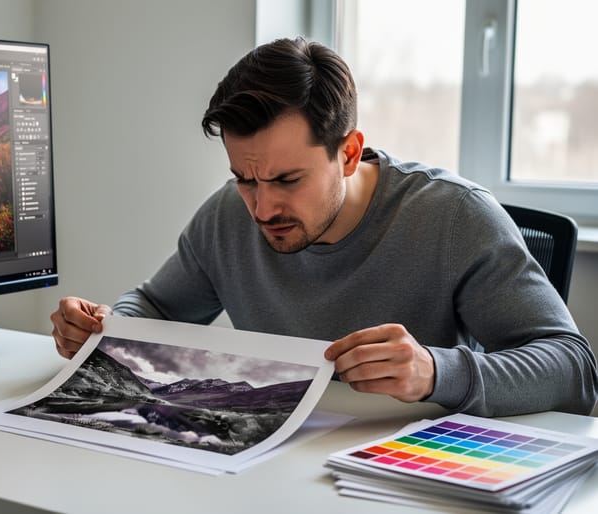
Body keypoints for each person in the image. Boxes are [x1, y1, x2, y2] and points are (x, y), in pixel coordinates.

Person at [49, 37, 598, 418]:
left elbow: (574, 370)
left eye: (288, 179)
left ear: (350, 152)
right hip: (275, 457)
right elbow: (157, 307)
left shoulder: (454, 216)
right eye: (245, 178)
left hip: (404, 471)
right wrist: (107, 328)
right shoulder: (228, 214)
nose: (263, 209)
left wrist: (436, 372)